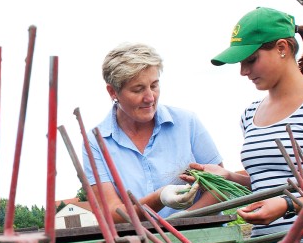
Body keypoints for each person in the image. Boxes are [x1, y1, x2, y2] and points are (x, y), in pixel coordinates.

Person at [193, 6, 303, 243]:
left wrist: (289, 205)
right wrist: (230, 177)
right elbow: (270, 181)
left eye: (251, 60)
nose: (243, 71)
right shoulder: (250, 114)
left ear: (282, 48)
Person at [82, 42, 224, 223]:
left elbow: (220, 186)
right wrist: (159, 198)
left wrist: (186, 219)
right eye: (138, 89)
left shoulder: (186, 122)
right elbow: (112, 213)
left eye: (154, 85)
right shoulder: (96, 142)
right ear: (112, 91)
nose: (150, 97)